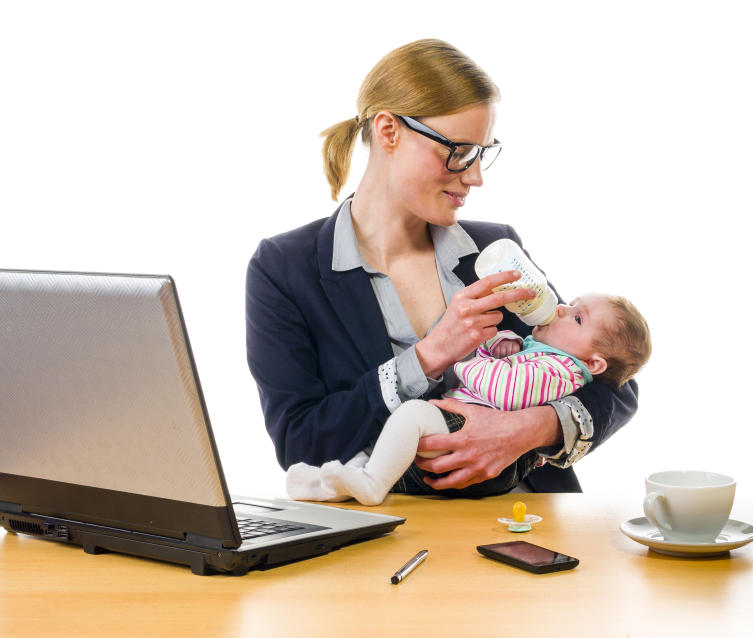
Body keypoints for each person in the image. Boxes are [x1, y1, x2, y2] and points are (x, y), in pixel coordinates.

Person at [245, 38, 640, 496]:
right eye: (459, 151)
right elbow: (300, 441)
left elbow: (613, 374)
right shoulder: (285, 269)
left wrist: (528, 430)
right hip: (386, 527)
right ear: (389, 131)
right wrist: (427, 356)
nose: (475, 177)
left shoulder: (495, 249)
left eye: (481, 153)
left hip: (521, 522)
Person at [285, 294, 651, 504]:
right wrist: (499, 344)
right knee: (382, 440)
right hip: (450, 442)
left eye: (575, 316)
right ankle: (329, 486)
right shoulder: (546, 350)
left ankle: (370, 484)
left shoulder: (561, 369)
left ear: (593, 363)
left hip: (489, 460)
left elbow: (505, 389)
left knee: (413, 415)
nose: (558, 307)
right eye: (571, 304)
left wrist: (467, 358)